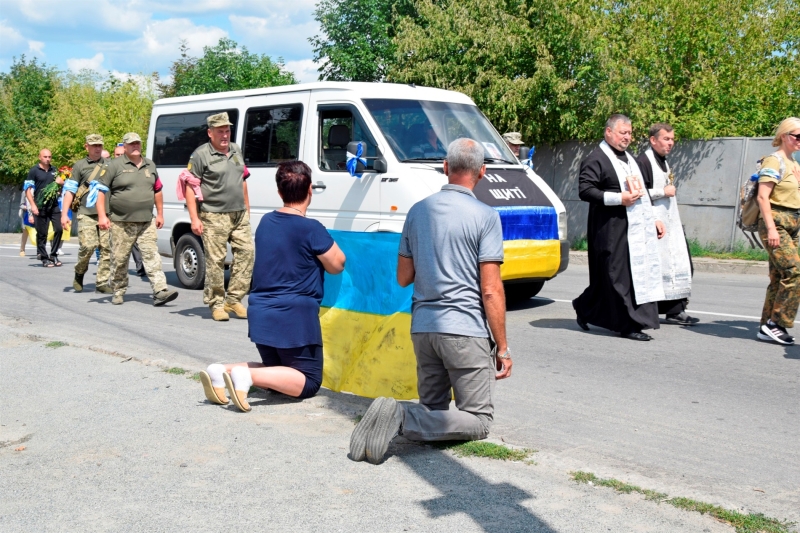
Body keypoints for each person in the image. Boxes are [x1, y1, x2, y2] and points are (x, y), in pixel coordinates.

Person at [350, 138, 512, 465]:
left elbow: (403, 277)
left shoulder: (418, 211)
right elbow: (491, 289)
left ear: (446, 168)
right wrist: (503, 347)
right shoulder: (486, 216)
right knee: (479, 420)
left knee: (434, 411)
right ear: (482, 172)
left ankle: (404, 417)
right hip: (465, 331)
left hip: (424, 328)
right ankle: (402, 416)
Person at [198, 161, 345, 412]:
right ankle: (248, 377)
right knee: (308, 381)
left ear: (280, 192)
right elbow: (337, 264)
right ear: (310, 189)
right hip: (294, 318)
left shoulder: (266, 221)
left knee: (279, 375)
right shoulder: (311, 228)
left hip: (262, 314)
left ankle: (222, 370)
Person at [572, 114, 667, 341]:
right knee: (616, 276)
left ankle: (585, 307)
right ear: (608, 132)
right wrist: (619, 198)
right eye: (623, 132)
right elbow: (585, 190)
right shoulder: (596, 159)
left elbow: (642, 193)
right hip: (609, 228)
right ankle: (627, 325)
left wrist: (654, 218)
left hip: (635, 226)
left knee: (627, 275)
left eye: (630, 133)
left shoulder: (630, 159)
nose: (628, 137)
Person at [184, 112, 254, 322]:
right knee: (216, 261)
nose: (225, 135)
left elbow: (242, 180)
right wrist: (195, 219)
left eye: (227, 130)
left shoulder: (235, 150)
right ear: (210, 133)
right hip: (213, 214)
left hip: (238, 214)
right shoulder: (200, 155)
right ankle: (216, 304)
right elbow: (190, 187)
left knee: (247, 253)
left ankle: (233, 299)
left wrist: (247, 209)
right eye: (220, 131)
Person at [95, 132, 178, 307]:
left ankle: (160, 290)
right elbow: (101, 191)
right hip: (121, 222)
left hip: (146, 221)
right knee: (120, 258)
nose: (135, 146)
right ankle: (118, 290)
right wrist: (102, 216)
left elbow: (157, 190)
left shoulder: (150, 164)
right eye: (131, 144)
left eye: (138, 143)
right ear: (124, 147)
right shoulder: (114, 166)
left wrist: (160, 214)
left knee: (151, 255)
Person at [636, 124, 699, 326]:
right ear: (653, 140)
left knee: (680, 265)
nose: (670, 143)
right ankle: (656, 311)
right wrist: (663, 192)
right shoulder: (643, 161)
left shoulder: (663, 161)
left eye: (672, 139)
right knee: (657, 268)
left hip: (670, 221)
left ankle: (676, 310)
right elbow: (638, 193)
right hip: (655, 222)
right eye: (666, 139)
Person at [755, 117, 800, 345]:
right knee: (794, 272)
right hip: (776, 221)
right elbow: (763, 197)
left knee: (778, 277)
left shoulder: (794, 162)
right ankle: (777, 323)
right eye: (797, 136)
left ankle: (766, 325)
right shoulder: (774, 161)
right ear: (784, 136)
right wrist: (771, 229)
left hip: (794, 221)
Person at [61, 134, 113, 294]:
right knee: (88, 246)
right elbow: (70, 190)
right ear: (86, 147)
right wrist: (64, 215)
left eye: (100, 145)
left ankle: (102, 282)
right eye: (94, 145)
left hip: (106, 213)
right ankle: (79, 273)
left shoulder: (110, 165)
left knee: (106, 249)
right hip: (86, 213)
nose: (98, 148)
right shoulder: (79, 166)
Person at [24, 149, 63, 267]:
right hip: (40, 205)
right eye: (45, 157)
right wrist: (33, 205)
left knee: (59, 229)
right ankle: (44, 257)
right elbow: (27, 190)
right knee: (42, 233)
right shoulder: (34, 171)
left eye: (50, 157)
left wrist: (61, 184)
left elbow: (60, 188)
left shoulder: (55, 170)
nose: (48, 159)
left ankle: (54, 254)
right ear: (39, 157)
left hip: (53, 205)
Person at [18, 189, 31, 256]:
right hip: (26, 215)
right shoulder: (24, 192)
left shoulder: (38, 190)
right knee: (25, 233)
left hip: (36, 215)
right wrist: (26, 207)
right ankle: (22, 250)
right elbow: (21, 205)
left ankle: (39, 251)